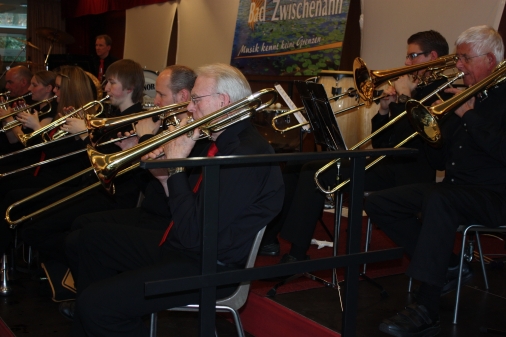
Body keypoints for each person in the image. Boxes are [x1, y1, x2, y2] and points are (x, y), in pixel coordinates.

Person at [62, 63, 284, 336]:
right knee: (90, 240)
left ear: (223, 101)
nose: (190, 108)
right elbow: (189, 214)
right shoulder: (224, 143)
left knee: (96, 305)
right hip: (185, 245)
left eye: (196, 100)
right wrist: (166, 178)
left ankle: (106, 313)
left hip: (209, 268)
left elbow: (195, 236)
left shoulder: (244, 156)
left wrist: (177, 167)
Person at [260, 30, 451, 263]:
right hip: (389, 162)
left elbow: (415, 139)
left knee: (315, 171)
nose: (406, 62)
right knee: (297, 165)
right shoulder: (416, 88)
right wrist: (383, 109)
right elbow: (382, 141)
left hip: (411, 171)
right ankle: (270, 236)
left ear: (432, 56)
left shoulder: (443, 93)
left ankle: (297, 253)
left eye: (413, 56)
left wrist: (403, 99)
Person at [364, 25, 505, 337]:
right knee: (378, 201)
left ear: (491, 61)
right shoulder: (466, 97)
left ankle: (426, 308)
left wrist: (468, 115)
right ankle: (451, 266)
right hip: (457, 189)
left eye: (466, 59)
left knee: (440, 200)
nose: (458, 66)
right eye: (458, 59)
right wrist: (431, 130)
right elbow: (442, 163)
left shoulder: (495, 101)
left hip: (495, 196)